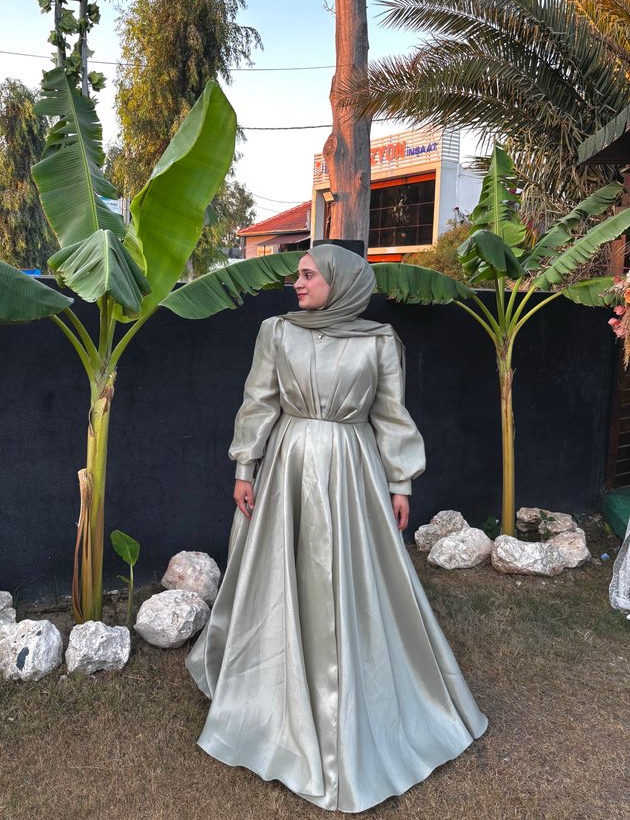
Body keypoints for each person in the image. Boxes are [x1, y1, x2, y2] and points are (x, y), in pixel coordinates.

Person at [186, 244, 488, 813]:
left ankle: (360, 687)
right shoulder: (277, 331)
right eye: (297, 275)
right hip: (288, 466)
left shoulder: (378, 342)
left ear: (340, 282)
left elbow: (391, 415)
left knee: (353, 577)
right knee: (282, 571)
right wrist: (245, 467)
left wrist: (401, 484)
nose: (296, 283)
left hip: (354, 472)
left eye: (308, 275)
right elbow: (258, 402)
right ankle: (271, 688)